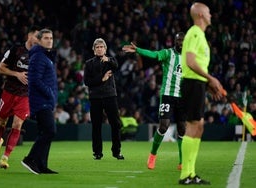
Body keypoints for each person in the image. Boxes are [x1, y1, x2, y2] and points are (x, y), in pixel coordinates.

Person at [122, 32, 186, 170]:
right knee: (164, 126)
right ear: (175, 42)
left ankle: (182, 162)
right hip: (168, 94)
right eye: (179, 40)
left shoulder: (188, 58)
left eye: (183, 40)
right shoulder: (168, 53)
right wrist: (138, 50)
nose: (181, 42)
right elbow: (154, 54)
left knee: (182, 129)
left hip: (182, 97)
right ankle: (152, 155)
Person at [179, 2, 224, 185]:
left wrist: (208, 83)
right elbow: (190, 62)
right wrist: (210, 78)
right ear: (200, 15)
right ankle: (185, 175)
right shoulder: (195, 32)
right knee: (192, 126)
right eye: (208, 12)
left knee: (199, 127)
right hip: (192, 83)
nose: (211, 14)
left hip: (198, 84)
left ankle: (191, 173)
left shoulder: (200, 35)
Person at [0, 26, 39, 169]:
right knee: (0, 122)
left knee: (17, 124)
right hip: (9, 92)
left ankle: (5, 158)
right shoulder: (15, 50)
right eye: (36, 36)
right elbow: (0, 69)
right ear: (29, 35)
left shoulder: (40, 55)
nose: (38, 39)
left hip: (25, 95)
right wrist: (17, 74)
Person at [21, 28, 58, 174]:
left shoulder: (44, 56)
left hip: (45, 101)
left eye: (51, 38)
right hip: (41, 101)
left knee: (45, 131)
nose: (49, 40)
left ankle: (42, 165)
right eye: (46, 38)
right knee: (50, 131)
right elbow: (34, 80)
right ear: (40, 40)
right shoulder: (38, 56)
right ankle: (30, 159)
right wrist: (49, 93)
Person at [84, 38, 124, 160]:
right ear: (94, 50)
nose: (100, 49)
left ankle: (116, 151)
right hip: (95, 97)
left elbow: (116, 67)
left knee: (116, 124)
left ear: (105, 49)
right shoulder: (89, 63)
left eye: (102, 47)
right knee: (96, 125)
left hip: (110, 95)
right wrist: (102, 78)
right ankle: (97, 152)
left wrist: (108, 60)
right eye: (97, 47)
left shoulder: (111, 61)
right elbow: (87, 82)